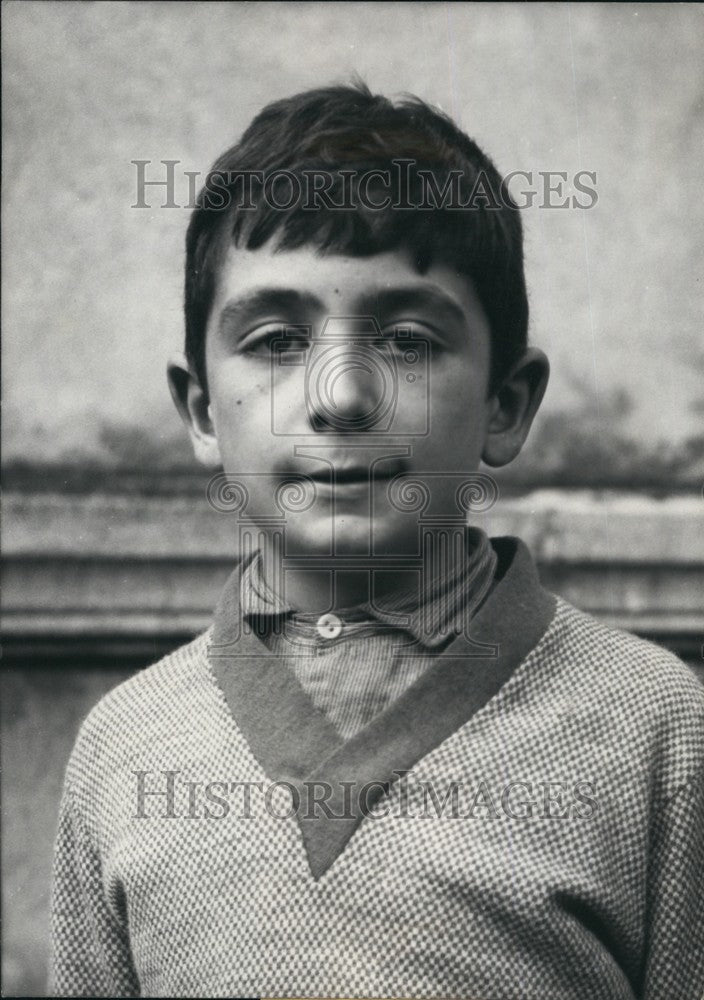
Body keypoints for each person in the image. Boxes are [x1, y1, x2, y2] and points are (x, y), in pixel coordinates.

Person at [50, 83, 703, 999]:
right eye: (275, 341)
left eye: (405, 340)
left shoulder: (656, 729)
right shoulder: (124, 748)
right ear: (201, 411)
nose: (343, 396)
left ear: (506, 404)